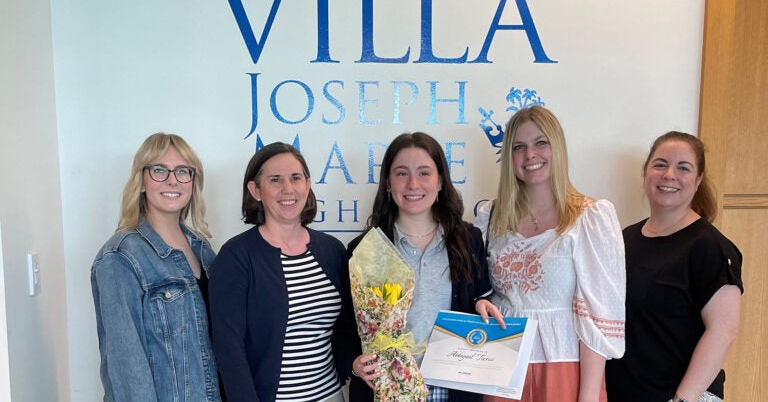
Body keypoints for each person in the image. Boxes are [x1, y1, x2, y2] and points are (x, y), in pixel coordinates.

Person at [474, 106, 626, 402]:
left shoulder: (590, 217)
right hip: (501, 363)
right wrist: (480, 300)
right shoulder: (491, 217)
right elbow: (476, 287)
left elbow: (597, 315)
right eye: (519, 147)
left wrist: (589, 396)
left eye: (540, 143)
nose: (530, 155)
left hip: (565, 366)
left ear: (557, 147)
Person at [348, 132, 505, 402]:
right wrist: (354, 362)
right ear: (387, 183)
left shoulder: (469, 241)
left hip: (452, 389)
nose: (413, 184)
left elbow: (480, 299)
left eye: (424, 173)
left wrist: (481, 303)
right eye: (401, 173)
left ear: (441, 181)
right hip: (386, 389)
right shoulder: (364, 249)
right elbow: (345, 327)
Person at [209, 142, 356, 402]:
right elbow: (228, 349)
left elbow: (346, 329)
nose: (287, 189)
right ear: (256, 190)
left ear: (307, 185)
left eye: (295, 178)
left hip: (331, 396)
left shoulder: (332, 250)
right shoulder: (236, 257)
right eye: (275, 180)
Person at [605, 131, 743, 402]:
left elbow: (724, 330)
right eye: (660, 164)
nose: (669, 175)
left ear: (698, 179)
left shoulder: (709, 246)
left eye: (683, 168)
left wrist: (682, 399)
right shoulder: (624, 239)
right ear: (645, 172)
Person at [91, 132, 221, 401]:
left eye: (183, 171)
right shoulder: (120, 257)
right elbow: (127, 370)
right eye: (160, 170)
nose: (172, 180)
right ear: (141, 181)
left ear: (193, 181)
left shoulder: (203, 249)